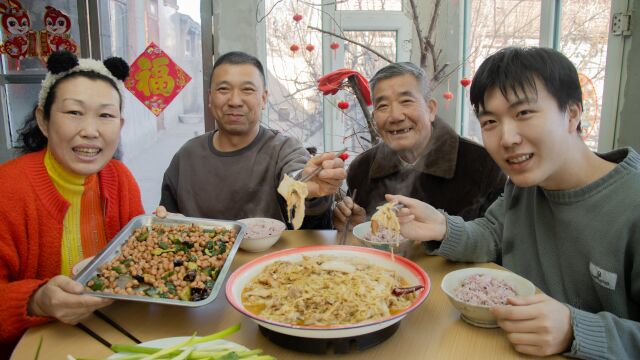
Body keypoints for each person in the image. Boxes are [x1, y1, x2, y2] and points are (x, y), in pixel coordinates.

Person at [389, 47, 640, 358]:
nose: (507, 139)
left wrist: (577, 329)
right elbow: (493, 235)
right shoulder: (527, 186)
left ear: (572, 114)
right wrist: (442, 227)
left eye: (523, 113)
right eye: (490, 122)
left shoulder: (631, 204)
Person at [0, 51, 144, 352]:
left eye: (105, 115)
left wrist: (167, 239)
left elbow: (135, 263)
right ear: (43, 119)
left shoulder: (120, 178)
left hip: (117, 336)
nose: (90, 131)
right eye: (74, 113)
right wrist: (36, 300)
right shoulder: (8, 190)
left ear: (120, 123)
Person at [160, 51, 345, 228]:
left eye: (247, 90)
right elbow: (167, 221)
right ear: (210, 98)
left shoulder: (283, 149)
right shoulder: (187, 156)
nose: (234, 101)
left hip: (270, 259)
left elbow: (298, 174)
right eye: (223, 89)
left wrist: (307, 187)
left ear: (263, 98)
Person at [333, 62, 505, 231]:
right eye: (383, 106)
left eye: (406, 101)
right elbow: (363, 238)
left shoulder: (483, 164)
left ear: (430, 109)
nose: (395, 116)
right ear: (374, 119)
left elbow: (497, 241)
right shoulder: (362, 168)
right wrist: (360, 224)